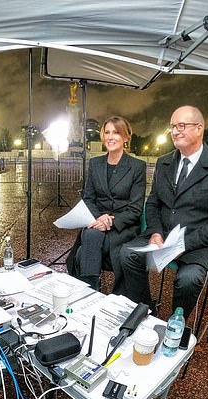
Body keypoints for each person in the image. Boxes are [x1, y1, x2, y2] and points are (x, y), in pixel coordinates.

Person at [119, 105, 208, 318]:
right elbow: (153, 204)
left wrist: (183, 243)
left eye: (182, 125)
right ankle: (146, 309)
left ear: (199, 128)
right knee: (127, 254)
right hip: (163, 237)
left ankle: (176, 323)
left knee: (189, 280)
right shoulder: (164, 162)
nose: (175, 131)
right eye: (173, 126)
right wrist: (155, 232)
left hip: (198, 245)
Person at [67, 116, 146, 293]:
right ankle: (91, 291)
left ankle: (88, 292)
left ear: (126, 138)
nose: (110, 137)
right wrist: (99, 218)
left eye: (116, 132)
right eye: (107, 132)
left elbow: (135, 209)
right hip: (97, 222)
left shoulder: (137, 166)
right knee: (92, 234)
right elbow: (88, 198)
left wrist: (110, 221)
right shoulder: (95, 164)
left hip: (122, 228)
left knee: (86, 244)